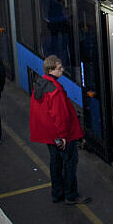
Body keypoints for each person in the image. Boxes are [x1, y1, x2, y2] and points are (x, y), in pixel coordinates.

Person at [29, 55, 90, 204]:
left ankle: (57, 193)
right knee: (69, 163)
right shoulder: (55, 89)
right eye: (59, 68)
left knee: (55, 164)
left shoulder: (40, 84)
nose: (62, 70)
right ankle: (71, 194)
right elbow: (60, 115)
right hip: (62, 135)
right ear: (51, 70)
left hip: (49, 135)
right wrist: (63, 136)